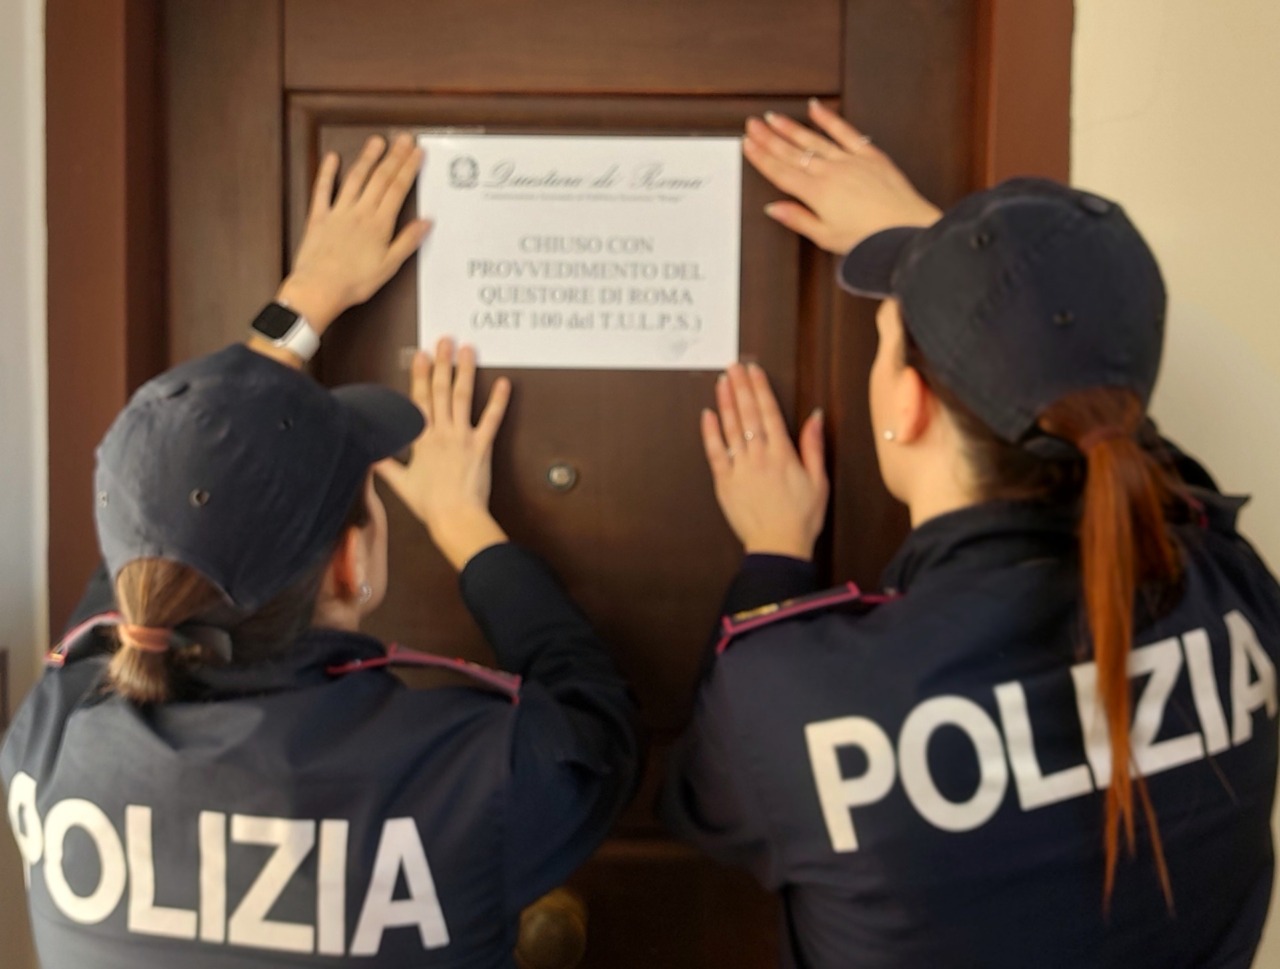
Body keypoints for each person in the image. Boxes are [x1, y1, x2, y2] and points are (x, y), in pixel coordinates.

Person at [661, 100, 1280, 968]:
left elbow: (704, 804)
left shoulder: (790, 694)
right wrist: (956, 264)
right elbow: (1132, 446)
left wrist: (773, 559)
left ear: (907, 404)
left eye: (886, 342)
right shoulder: (1236, 594)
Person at [2, 134, 639, 968]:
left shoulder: (51, 737)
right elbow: (602, 733)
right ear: (349, 563)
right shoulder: (471, 774)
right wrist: (465, 526)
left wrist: (301, 307)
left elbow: (165, 516)